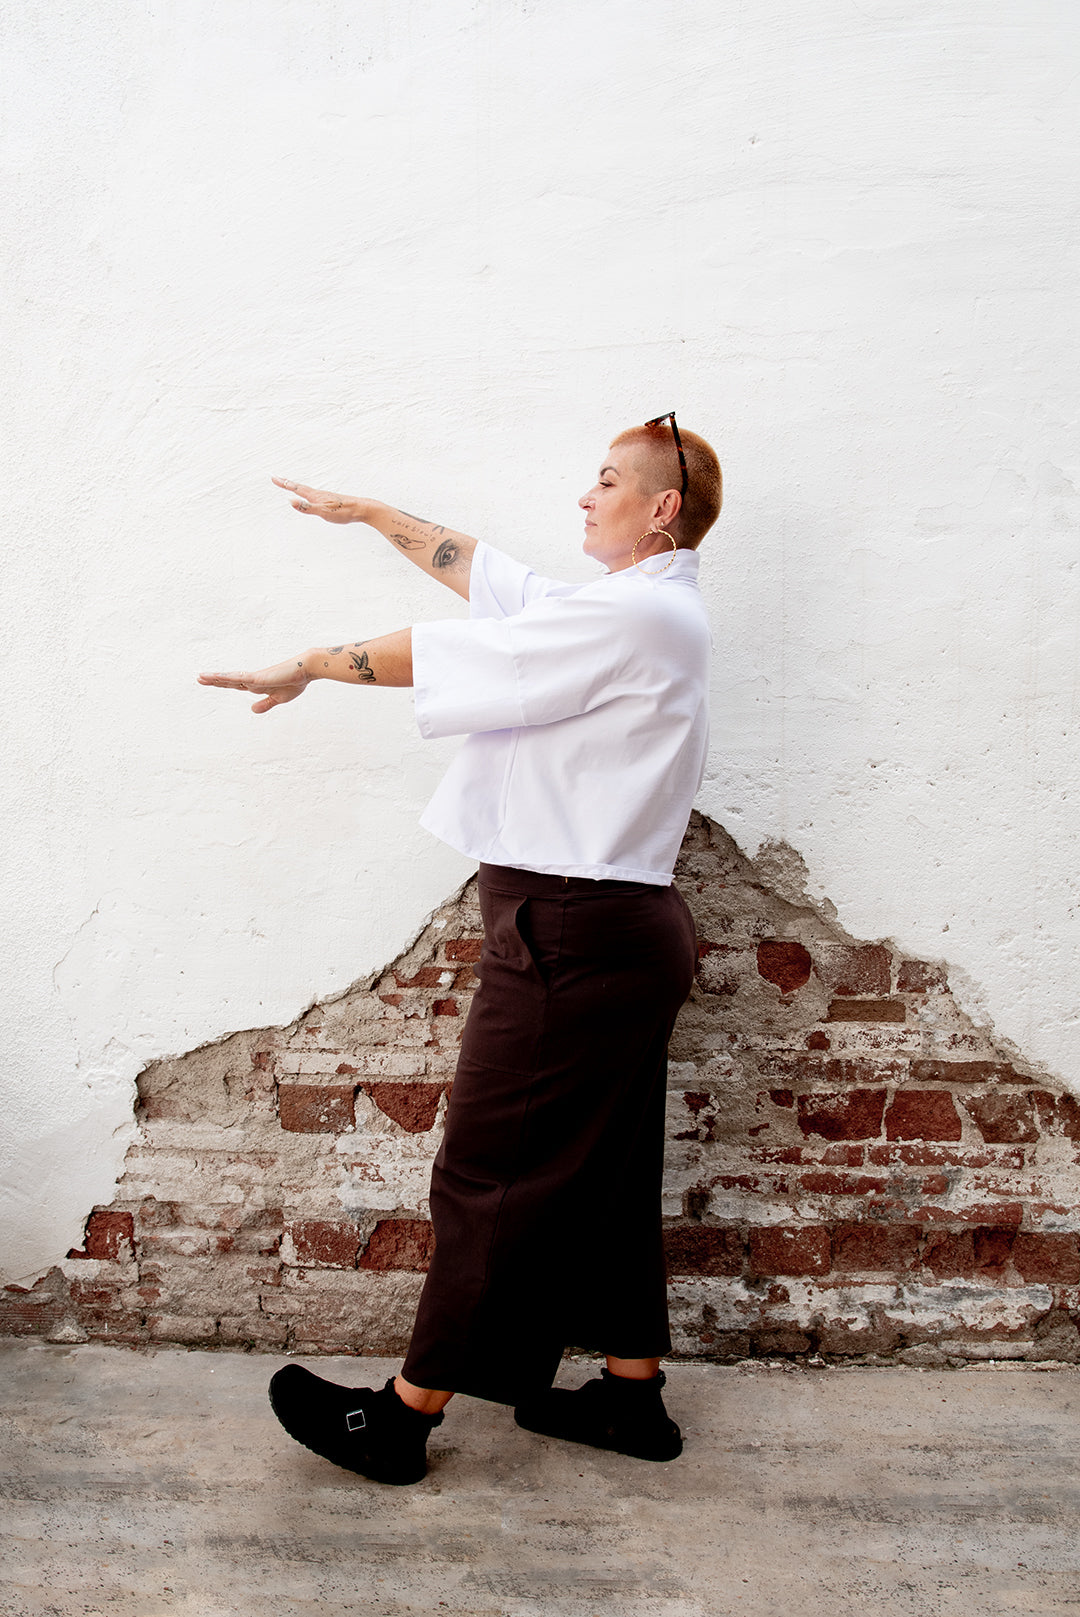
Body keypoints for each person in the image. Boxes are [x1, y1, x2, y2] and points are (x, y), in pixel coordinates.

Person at [198, 414, 723, 1486]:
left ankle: (400, 1419)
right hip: (612, 931)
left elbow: (459, 651)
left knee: (489, 1177)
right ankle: (632, 1399)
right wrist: (372, 515)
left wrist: (309, 662)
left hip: (571, 931)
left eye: (608, 480)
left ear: (661, 507)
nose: (588, 495)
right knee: (613, 1176)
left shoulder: (633, 620)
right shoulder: (635, 612)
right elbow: (497, 585)